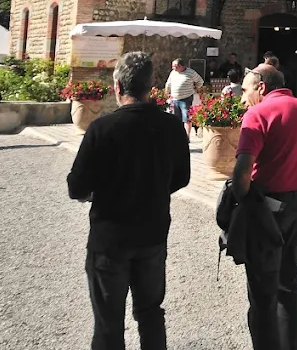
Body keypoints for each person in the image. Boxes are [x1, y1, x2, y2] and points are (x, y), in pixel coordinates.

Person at [67, 52, 191, 350]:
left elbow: (77, 186)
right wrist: (154, 188)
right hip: (152, 233)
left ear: (117, 87)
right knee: (150, 314)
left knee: (108, 322)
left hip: (110, 237)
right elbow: (182, 177)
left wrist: (97, 192)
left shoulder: (102, 128)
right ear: (151, 87)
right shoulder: (171, 127)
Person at [231, 63, 297, 350]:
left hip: (267, 208)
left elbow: (242, 171)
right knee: (288, 284)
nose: (243, 98)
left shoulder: (258, 113)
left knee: (263, 293)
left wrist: (241, 204)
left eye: (246, 90)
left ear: (262, 87)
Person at [164, 59, 203, 140]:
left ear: (181, 66)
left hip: (186, 98)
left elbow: (200, 81)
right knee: (175, 118)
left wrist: (196, 88)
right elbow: (168, 83)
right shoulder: (173, 73)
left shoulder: (191, 72)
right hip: (174, 99)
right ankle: (177, 135)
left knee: (187, 118)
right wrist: (166, 93)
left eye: (174, 66)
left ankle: (187, 137)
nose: (172, 68)